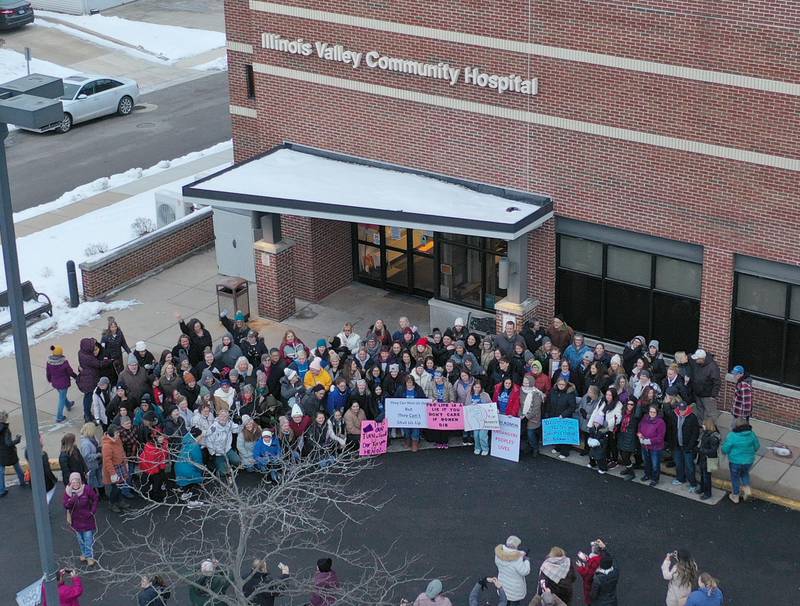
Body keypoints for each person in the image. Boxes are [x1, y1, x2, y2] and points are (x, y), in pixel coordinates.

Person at [721, 417, 760, 503]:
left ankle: (735, 496)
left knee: (735, 478)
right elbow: (757, 446)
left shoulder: (732, 436)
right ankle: (747, 490)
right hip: (748, 461)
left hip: (735, 461)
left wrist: (723, 450)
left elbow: (725, 449)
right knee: (745, 474)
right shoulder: (752, 434)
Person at [63, 472, 99, 566]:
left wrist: (92, 511)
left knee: (88, 539)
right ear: (70, 483)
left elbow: (95, 499)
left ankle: (89, 557)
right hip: (76, 521)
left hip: (87, 519)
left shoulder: (86, 489)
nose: (75, 484)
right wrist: (72, 500)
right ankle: (84, 553)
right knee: (80, 539)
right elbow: (66, 506)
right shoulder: (68, 492)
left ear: (80, 481)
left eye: (77, 482)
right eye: (73, 482)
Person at [77, 338, 113, 423]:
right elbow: (99, 364)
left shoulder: (81, 352)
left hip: (85, 378)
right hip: (90, 380)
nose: (93, 347)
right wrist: (108, 361)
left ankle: (87, 414)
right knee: (89, 398)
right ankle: (87, 416)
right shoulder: (89, 358)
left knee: (87, 397)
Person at [670, 399, 701, 493]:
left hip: (688, 447)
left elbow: (695, 433)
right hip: (677, 445)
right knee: (678, 463)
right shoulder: (674, 415)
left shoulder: (692, 418)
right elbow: (671, 429)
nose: (682, 411)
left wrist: (690, 446)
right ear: (678, 408)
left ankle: (693, 484)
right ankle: (680, 478)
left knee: (689, 466)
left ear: (687, 408)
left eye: (683, 409)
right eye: (680, 409)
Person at [546, 377, 577, 459]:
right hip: (554, 415)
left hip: (565, 417)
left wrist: (563, 415)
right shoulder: (553, 391)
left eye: (563, 384)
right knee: (557, 433)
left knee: (564, 435)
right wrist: (548, 413)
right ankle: (557, 447)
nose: (561, 386)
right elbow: (548, 402)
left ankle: (565, 452)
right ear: (556, 384)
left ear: (566, 384)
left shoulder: (570, 393)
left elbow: (572, 407)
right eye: (559, 384)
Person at [494, 535, 530, 605]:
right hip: (515, 589)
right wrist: (526, 561)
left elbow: (511, 553)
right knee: (515, 603)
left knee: (504, 602)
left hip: (503, 585)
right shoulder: (517, 559)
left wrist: (520, 554)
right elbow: (524, 571)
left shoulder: (498, 554)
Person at [205, 410, 241, 480]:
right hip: (218, 453)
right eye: (221, 416)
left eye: (225, 417)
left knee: (237, 461)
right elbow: (208, 441)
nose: (223, 418)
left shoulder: (229, 424)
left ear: (228, 418)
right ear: (218, 417)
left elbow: (236, 429)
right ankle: (216, 465)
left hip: (227, 450)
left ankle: (226, 464)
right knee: (223, 473)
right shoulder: (213, 428)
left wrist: (241, 424)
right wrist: (213, 452)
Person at [101, 425, 129, 513]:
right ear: (111, 434)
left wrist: (126, 462)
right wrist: (113, 473)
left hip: (121, 466)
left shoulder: (117, 439)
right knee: (116, 488)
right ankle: (112, 503)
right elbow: (107, 461)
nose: (118, 435)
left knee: (121, 486)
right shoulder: (107, 446)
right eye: (116, 433)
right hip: (114, 469)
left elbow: (122, 451)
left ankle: (120, 501)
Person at [46, 345, 78, 423]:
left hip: (55, 382)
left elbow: (48, 372)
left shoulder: (49, 362)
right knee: (61, 398)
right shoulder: (64, 363)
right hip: (63, 383)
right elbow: (70, 372)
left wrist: (49, 379)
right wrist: (76, 377)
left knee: (62, 395)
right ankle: (59, 416)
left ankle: (68, 404)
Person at [175, 428, 206, 506]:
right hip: (188, 470)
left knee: (187, 481)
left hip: (179, 467)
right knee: (197, 481)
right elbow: (198, 461)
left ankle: (185, 494)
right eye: (201, 436)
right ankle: (193, 501)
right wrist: (201, 470)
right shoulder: (194, 446)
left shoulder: (186, 442)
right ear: (197, 436)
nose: (202, 438)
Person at [638, 404, 666, 486]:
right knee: (646, 462)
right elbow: (639, 428)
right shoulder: (645, 418)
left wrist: (649, 441)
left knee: (655, 464)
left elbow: (660, 437)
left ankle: (655, 479)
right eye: (650, 411)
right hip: (644, 445)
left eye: (654, 412)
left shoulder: (661, 422)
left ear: (657, 412)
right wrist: (639, 434)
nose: (652, 413)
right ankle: (647, 475)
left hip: (655, 447)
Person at [689, 349, 721, 421]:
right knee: (699, 410)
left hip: (707, 395)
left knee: (710, 413)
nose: (695, 360)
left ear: (702, 359)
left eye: (697, 359)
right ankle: (700, 426)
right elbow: (689, 357)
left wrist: (713, 395)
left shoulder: (712, 367)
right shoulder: (697, 362)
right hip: (698, 393)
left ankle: (710, 428)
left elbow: (717, 382)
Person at [0, 410, 27, 496]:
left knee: (1, 471)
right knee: (17, 467)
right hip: (9, 453)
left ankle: (1, 490)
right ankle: (22, 481)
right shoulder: (5, 429)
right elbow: (8, 443)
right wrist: (17, 440)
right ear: (4, 419)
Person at [696, 418, 720, 501]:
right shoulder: (706, 433)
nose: (702, 426)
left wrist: (701, 450)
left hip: (708, 459)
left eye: (704, 424)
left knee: (706, 477)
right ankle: (702, 488)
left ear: (707, 425)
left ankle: (707, 493)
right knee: (703, 474)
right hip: (703, 458)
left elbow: (713, 450)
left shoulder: (713, 437)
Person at [521, 374, 544, 457]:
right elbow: (520, 404)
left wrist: (527, 416)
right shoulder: (521, 390)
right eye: (524, 382)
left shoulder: (536, 393)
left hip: (533, 417)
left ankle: (535, 448)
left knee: (530, 433)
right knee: (525, 433)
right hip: (523, 415)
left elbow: (536, 408)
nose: (525, 384)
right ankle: (529, 447)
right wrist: (520, 414)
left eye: (527, 383)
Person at [79, 423, 103, 493]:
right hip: (91, 465)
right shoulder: (85, 443)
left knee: (100, 477)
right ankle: (93, 495)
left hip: (98, 463)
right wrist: (97, 455)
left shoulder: (93, 437)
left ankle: (102, 493)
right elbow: (86, 456)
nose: (95, 430)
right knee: (92, 480)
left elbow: (97, 444)